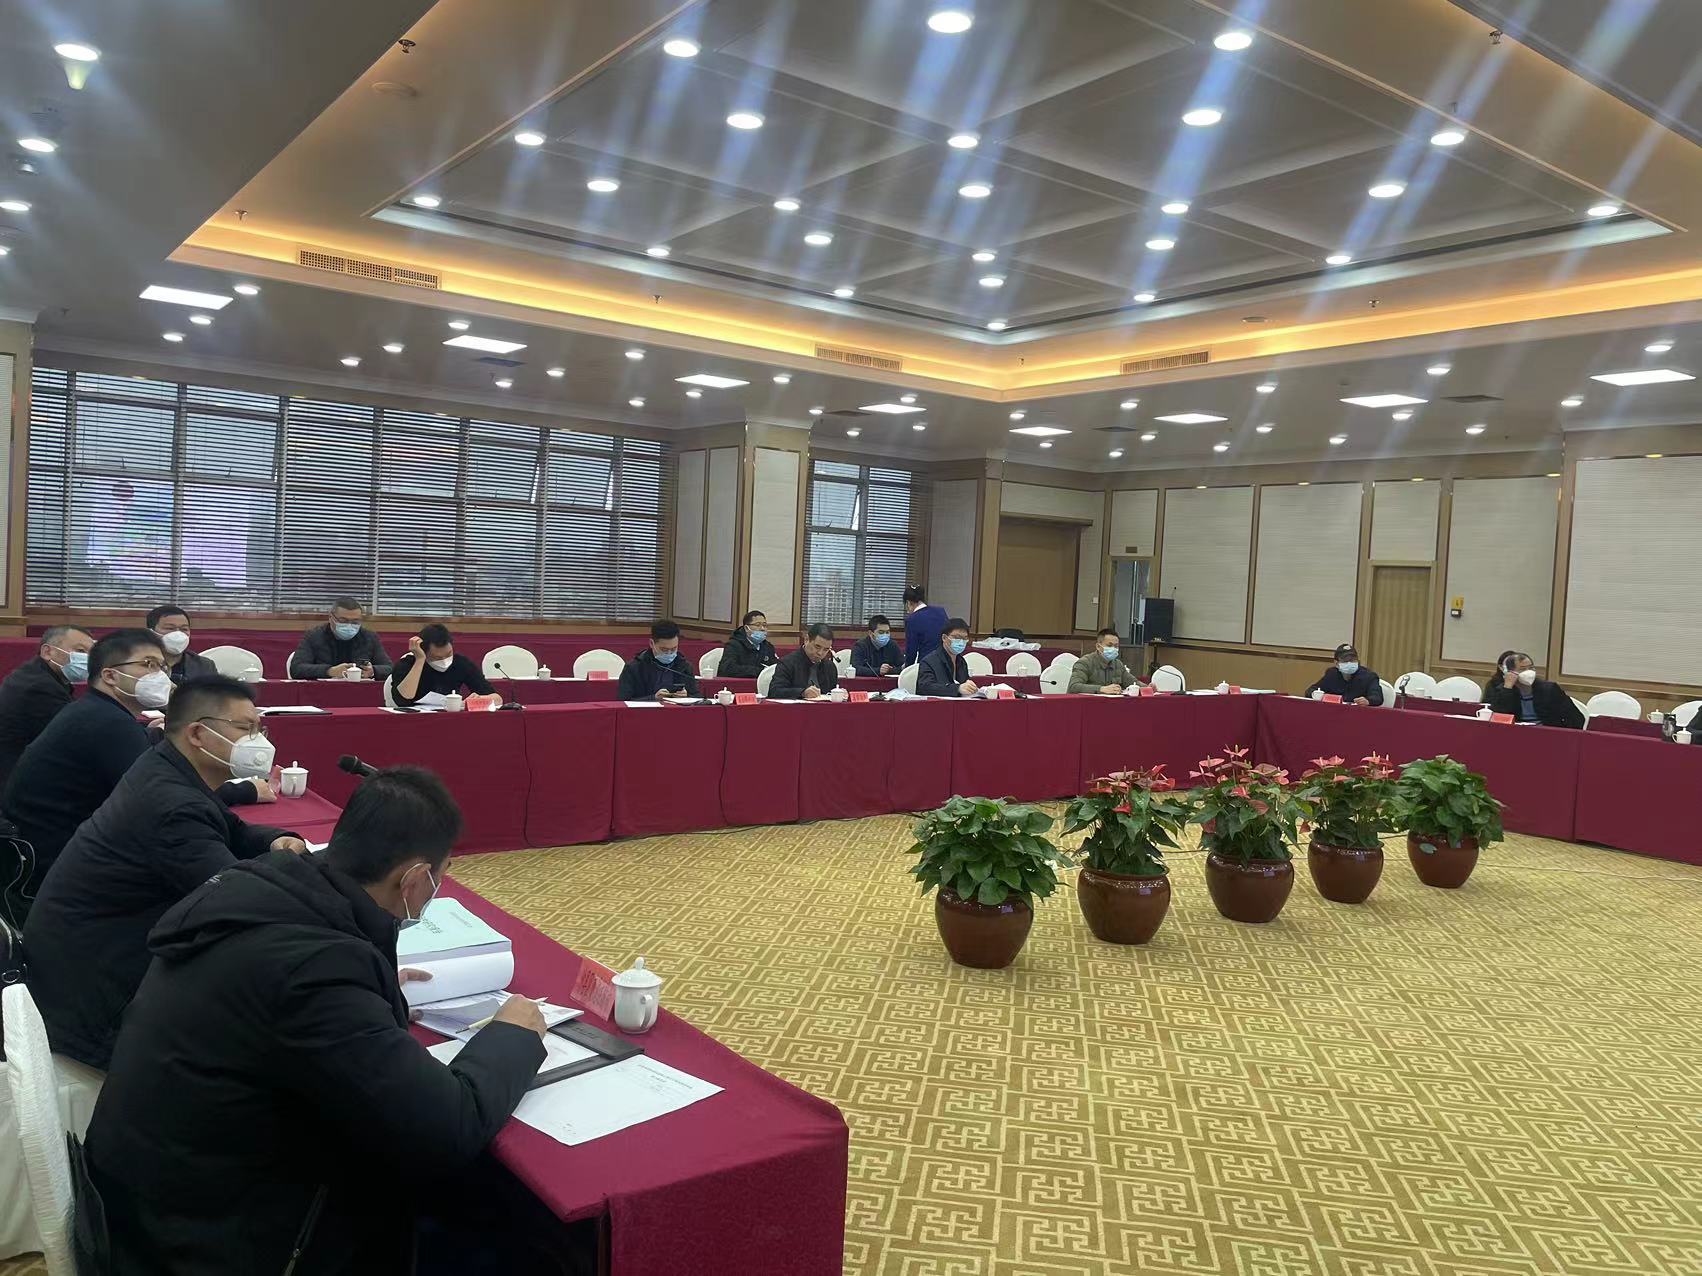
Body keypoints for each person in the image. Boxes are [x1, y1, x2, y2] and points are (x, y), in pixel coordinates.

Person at [82, 766, 553, 1274]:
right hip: (206, 1245)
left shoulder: (266, 891)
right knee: (480, 1217)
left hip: (147, 1203)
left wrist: (372, 996)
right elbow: (448, 1128)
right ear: (416, 879)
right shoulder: (315, 974)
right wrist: (512, 1034)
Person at [24, 676, 305, 1069]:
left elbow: (232, 830)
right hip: (100, 1002)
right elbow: (239, 901)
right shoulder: (171, 803)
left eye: (260, 729)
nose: (257, 741)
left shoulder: (167, 767)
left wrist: (278, 840)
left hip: (89, 962)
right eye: (245, 728)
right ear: (198, 734)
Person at [0, 624, 93, 791]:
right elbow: (76, 736)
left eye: (90, 653)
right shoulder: (39, 687)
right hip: (18, 782)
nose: (87, 659)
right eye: (80, 651)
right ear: (47, 652)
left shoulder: (36, 673)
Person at [389, 623, 495, 707]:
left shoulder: (461, 663)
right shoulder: (406, 664)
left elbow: (497, 698)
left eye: (449, 654)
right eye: (437, 658)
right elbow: (403, 699)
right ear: (424, 652)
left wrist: (479, 700)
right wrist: (420, 660)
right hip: (414, 719)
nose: (444, 660)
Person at [291, 595, 394, 681]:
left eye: (355, 621)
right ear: (331, 618)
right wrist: (330, 671)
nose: (349, 625)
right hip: (321, 692)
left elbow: (389, 668)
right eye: (343, 621)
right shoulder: (313, 636)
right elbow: (296, 669)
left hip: (360, 692)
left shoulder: (369, 637)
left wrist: (373, 671)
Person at [1486, 652, 1585, 728]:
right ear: (1510, 673)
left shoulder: (1549, 689)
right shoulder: (1502, 690)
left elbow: (1576, 718)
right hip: (1516, 734)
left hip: (1547, 735)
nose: (1529, 672)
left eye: (1531, 668)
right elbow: (1499, 720)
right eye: (1523, 669)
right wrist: (1507, 688)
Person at [617, 619, 700, 701]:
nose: (669, 653)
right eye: (664, 649)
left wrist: (687, 696)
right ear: (651, 643)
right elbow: (623, 701)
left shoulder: (685, 667)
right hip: (648, 709)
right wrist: (653, 698)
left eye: (674, 648)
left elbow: (698, 697)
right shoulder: (634, 668)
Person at [147, 605, 219, 685]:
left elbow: (214, 692)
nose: (178, 633)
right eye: (169, 628)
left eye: (184, 629)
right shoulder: (140, 662)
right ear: (150, 632)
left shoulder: (205, 665)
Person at [768, 624, 840, 700]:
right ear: (806, 640)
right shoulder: (788, 662)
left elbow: (830, 693)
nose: (820, 653)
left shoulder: (830, 667)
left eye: (826, 649)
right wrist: (802, 693)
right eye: (817, 647)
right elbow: (774, 691)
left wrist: (838, 693)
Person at [1305, 644, 1385, 705]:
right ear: (1337, 663)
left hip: (1358, 714)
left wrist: (1368, 701)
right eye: (1345, 661)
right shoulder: (1331, 674)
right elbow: (1310, 690)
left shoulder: (1369, 676)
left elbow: (1377, 697)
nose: (1349, 663)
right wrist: (1316, 694)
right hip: (1335, 713)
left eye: (1352, 660)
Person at [917, 618, 978, 697]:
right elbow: (925, 688)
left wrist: (969, 687)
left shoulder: (961, 661)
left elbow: (963, 684)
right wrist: (957, 688)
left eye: (964, 638)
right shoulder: (929, 661)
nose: (961, 642)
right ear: (944, 638)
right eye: (957, 637)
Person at [1069, 628, 1141, 695]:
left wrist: (1146, 688)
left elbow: (1133, 682)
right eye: (1109, 645)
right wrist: (1101, 689)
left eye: (1116, 646)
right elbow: (1074, 687)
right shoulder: (1085, 663)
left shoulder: (1118, 664)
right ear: (1098, 646)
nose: (1113, 649)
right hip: (1087, 702)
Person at [718, 610, 778, 679]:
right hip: (739, 683)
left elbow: (775, 667)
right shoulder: (734, 645)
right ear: (746, 628)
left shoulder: (768, 647)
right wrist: (760, 671)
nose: (762, 628)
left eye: (764, 625)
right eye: (758, 625)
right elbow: (727, 669)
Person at [902, 586, 949, 669]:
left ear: (908, 603)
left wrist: (907, 668)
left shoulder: (912, 619)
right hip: (945, 662)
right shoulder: (941, 611)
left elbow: (911, 650)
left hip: (927, 664)